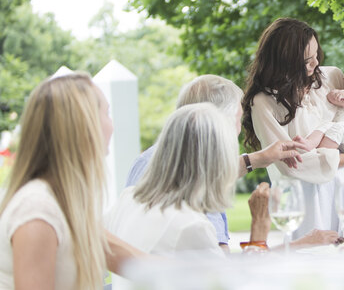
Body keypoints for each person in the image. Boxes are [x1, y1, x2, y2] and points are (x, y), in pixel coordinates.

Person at [125, 74, 338, 250]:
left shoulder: (149, 162)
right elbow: (226, 277)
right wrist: (263, 230)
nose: (239, 129)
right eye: (238, 119)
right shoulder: (195, 205)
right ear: (217, 123)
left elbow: (207, 172)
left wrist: (260, 158)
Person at [242, 18, 344, 239]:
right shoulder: (264, 103)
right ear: (285, 62)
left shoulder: (331, 76)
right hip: (313, 195)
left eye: (316, 56)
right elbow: (291, 164)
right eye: (306, 61)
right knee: (318, 262)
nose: (314, 65)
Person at [0, 73, 143, 290]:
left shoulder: (63, 204)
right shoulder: (37, 210)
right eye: (106, 113)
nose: (112, 126)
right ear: (84, 125)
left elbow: (133, 261)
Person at [106, 104, 272, 258]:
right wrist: (258, 230)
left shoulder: (127, 199)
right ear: (214, 159)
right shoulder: (191, 227)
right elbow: (229, 283)